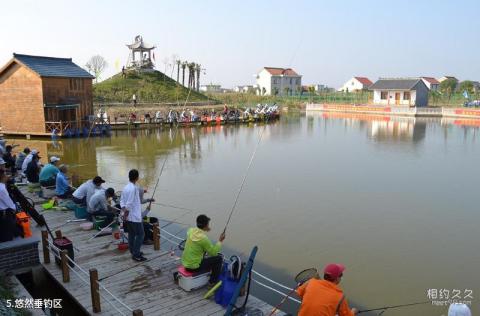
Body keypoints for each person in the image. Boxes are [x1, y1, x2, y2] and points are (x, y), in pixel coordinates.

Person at [181, 214, 225, 284]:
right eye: (208, 224)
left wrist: (206, 229)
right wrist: (220, 241)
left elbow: (198, 231)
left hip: (185, 264)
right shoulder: (203, 239)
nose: (208, 226)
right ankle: (213, 281)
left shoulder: (191, 231)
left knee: (203, 251)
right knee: (218, 259)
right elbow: (213, 253)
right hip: (194, 268)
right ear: (206, 225)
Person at [121, 169, 148, 262]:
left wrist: (124, 212)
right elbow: (129, 203)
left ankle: (133, 251)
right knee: (141, 234)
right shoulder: (134, 188)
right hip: (134, 216)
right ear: (137, 178)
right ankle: (136, 254)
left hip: (128, 216)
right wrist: (126, 213)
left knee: (132, 234)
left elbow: (122, 201)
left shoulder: (125, 187)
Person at [0, 170, 20, 242]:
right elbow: (8, 202)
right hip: (4, 213)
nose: (7, 176)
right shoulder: (2, 188)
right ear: (2, 177)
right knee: (7, 235)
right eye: (5, 175)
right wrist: (15, 208)